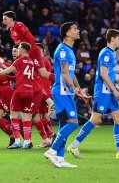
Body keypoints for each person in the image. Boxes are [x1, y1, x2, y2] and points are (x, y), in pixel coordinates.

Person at [67, 29, 119, 160]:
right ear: (112, 39)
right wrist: (115, 90)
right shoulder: (106, 53)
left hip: (109, 91)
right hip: (103, 92)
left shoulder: (111, 53)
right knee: (95, 119)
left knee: (118, 117)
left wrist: (114, 89)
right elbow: (104, 74)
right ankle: (74, 145)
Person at [44, 22, 88, 168]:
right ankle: (52, 151)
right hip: (62, 92)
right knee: (73, 123)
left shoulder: (70, 50)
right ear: (68, 33)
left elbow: (71, 73)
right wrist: (73, 89)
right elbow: (63, 72)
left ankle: (60, 159)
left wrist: (78, 88)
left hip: (67, 91)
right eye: (75, 29)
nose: (78, 30)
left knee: (64, 125)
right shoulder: (63, 50)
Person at [0, 42, 34, 149]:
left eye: (19, 49)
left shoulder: (19, 60)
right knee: (27, 118)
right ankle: (27, 142)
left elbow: (8, 70)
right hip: (30, 92)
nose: (17, 51)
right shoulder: (31, 62)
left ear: (23, 50)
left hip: (19, 91)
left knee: (13, 116)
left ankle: (17, 141)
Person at [2, 11, 55, 83]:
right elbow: (19, 45)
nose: (3, 21)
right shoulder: (11, 30)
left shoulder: (19, 25)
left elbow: (32, 39)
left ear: (11, 19)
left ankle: (62, 81)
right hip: (26, 53)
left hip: (32, 51)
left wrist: (27, 53)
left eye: (5, 19)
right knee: (26, 72)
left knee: (43, 73)